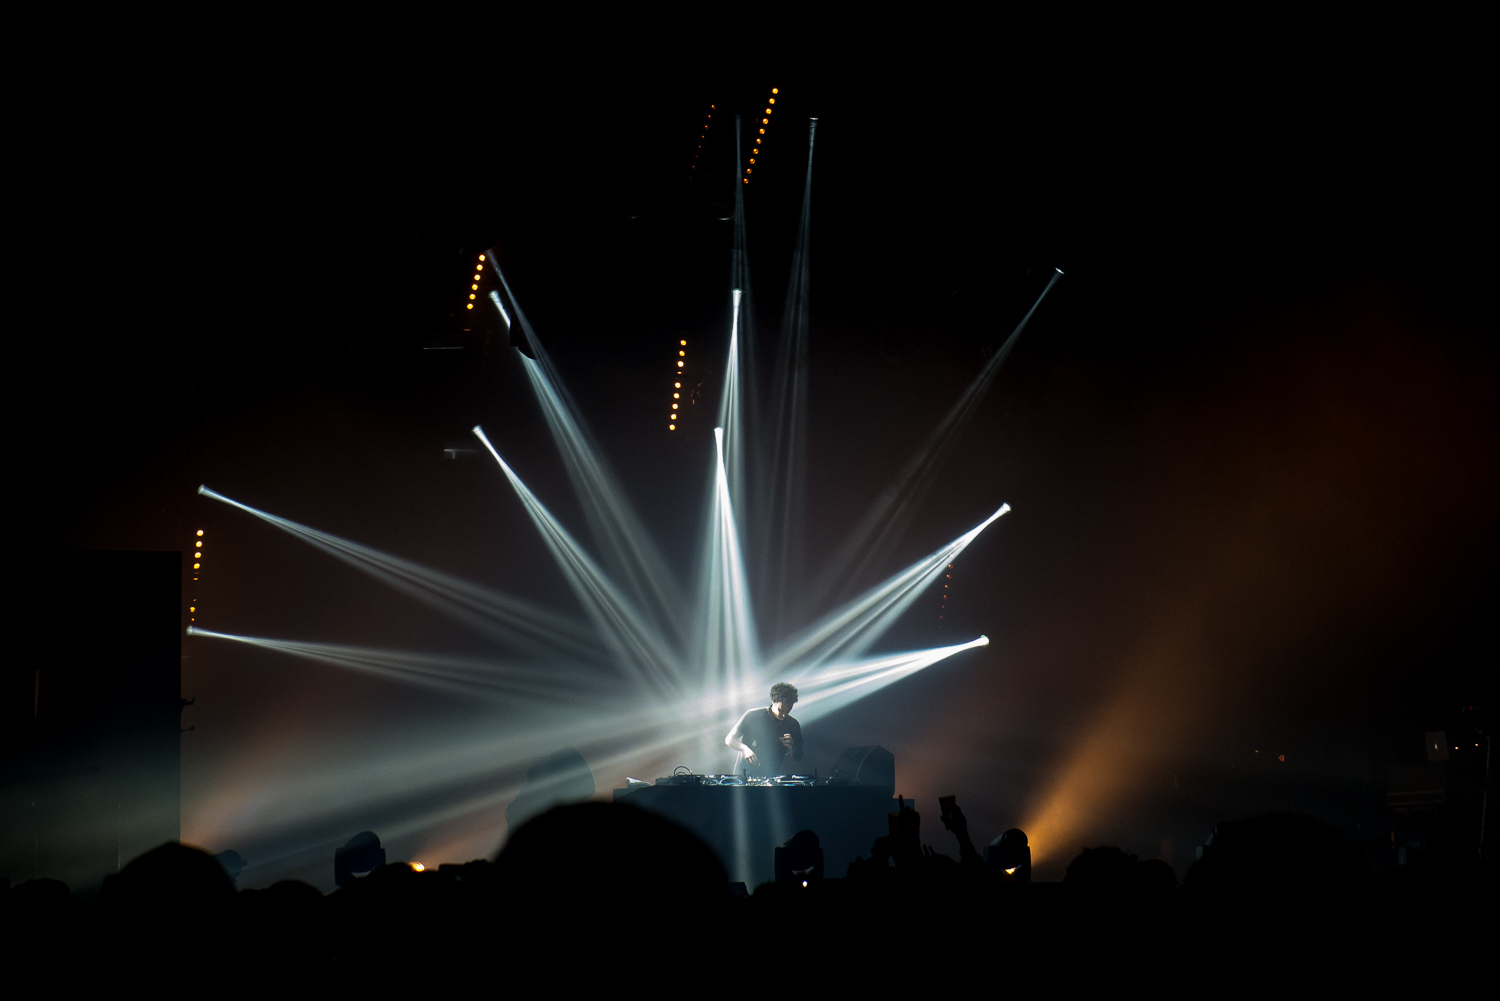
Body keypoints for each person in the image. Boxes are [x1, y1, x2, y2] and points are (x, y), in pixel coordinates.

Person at [725, 682, 804, 777]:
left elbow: (798, 757)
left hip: (770, 778)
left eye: (788, 711)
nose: (784, 715)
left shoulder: (793, 724)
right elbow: (729, 739)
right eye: (781, 710)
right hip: (743, 776)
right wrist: (744, 748)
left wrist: (792, 747)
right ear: (773, 701)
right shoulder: (753, 715)